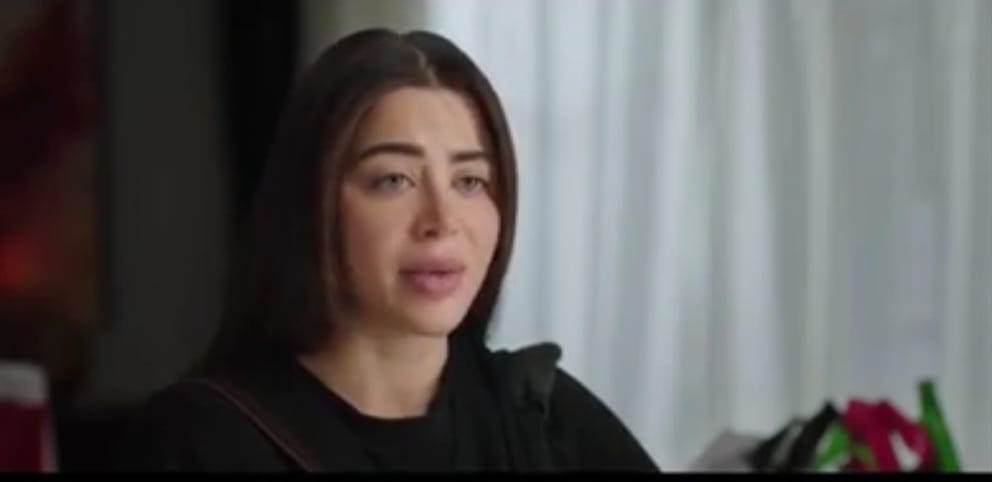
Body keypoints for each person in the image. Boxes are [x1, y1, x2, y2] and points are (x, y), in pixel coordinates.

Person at [113, 28, 658, 473]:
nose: (442, 222)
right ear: (313, 203)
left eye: (469, 182)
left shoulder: (539, 417)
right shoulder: (205, 440)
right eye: (394, 180)